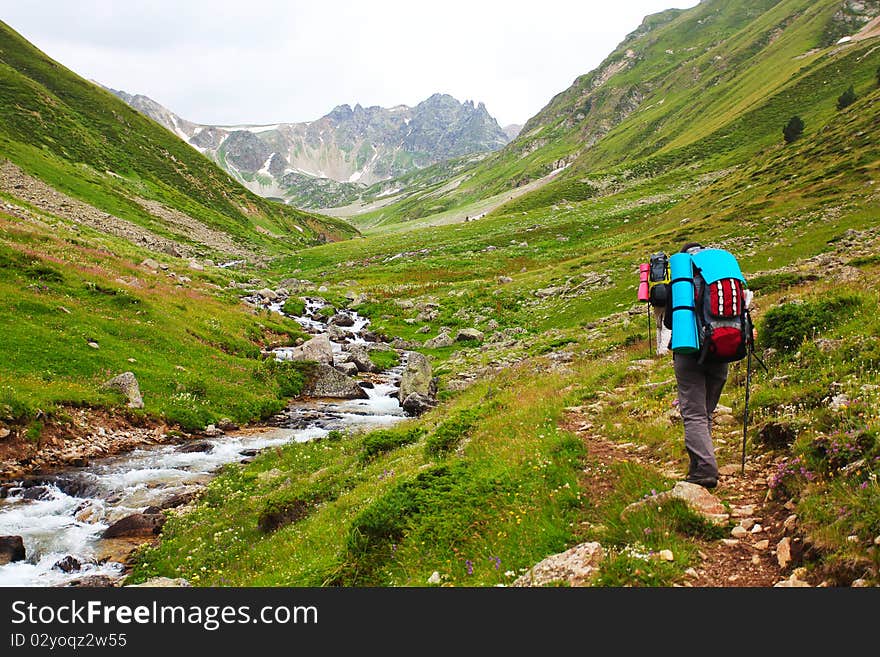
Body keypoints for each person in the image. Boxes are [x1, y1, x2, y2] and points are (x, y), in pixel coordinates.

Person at [662, 241, 725, 489]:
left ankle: (706, 470)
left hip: (689, 352)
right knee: (705, 413)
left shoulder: (682, 280)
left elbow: (669, 322)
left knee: (694, 414)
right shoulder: (718, 275)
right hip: (722, 349)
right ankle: (697, 467)